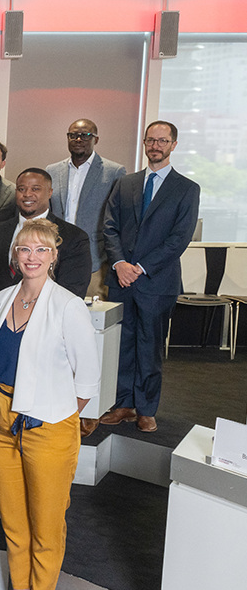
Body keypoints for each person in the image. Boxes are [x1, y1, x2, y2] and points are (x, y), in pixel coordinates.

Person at [0, 218, 100, 590]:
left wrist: (57, 416)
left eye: (41, 250)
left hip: (48, 427)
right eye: (24, 249)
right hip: (0, 422)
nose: (32, 257)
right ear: (14, 255)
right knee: (13, 522)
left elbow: (87, 381)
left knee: (47, 525)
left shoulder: (68, 306)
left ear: (54, 257)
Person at [98, 120, 200, 434]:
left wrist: (139, 267)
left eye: (162, 140)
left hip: (157, 282)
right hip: (122, 280)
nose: (155, 146)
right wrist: (119, 264)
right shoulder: (126, 183)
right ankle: (123, 404)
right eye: (150, 140)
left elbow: (179, 239)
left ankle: (146, 409)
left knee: (149, 347)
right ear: (144, 143)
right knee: (121, 346)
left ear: (173, 145)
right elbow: (109, 227)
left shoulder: (187, 189)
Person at [0, 168, 90, 302]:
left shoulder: (74, 237)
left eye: (35, 189)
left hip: (46, 316)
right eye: (21, 189)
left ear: (50, 192)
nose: (27, 194)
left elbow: (72, 291)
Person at [46, 118, 127, 298]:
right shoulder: (52, 171)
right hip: (55, 258)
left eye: (85, 135)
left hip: (95, 260)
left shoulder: (114, 172)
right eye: (73, 135)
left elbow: (118, 218)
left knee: (91, 318)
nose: (78, 139)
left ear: (96, 139)